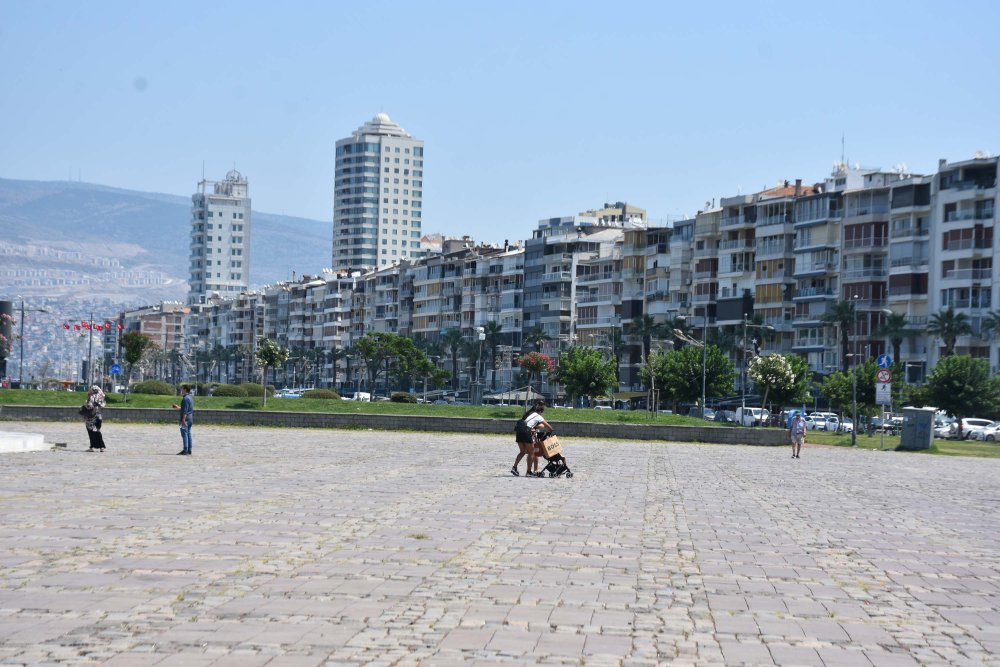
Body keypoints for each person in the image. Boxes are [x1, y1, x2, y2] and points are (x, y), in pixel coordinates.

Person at [172, 384, 194, 455]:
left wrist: (183, 420)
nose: (181, 390)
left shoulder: (185, 399)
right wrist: (178, 408)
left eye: (182, 389)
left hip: (186, 419)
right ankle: (189, 450)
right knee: (188, 434)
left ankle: (185, 450)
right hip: (190, 418)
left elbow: (185, 411)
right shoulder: (190, 398)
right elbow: (186, 408)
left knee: (184, 434)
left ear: (185, 389)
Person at [84, 385, 106, 452]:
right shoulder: (102, 397)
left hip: (91, 418)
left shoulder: (91, 396)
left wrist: (85, 403)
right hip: (99, 417)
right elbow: (103, 405)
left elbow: (89, 407)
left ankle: (92, 447)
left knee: (91, 432)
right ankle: (101, 447)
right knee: (97, 431)